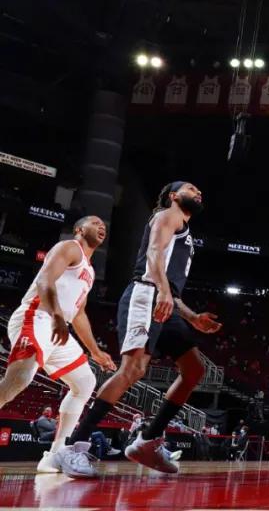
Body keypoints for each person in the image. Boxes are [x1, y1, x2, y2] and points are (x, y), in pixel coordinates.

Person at [62, 182, 222, 476]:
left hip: (163, 299)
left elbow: (171, 287)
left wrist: (192, 317)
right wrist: (163, 291)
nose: (198, 192)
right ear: (174, 196)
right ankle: (75, 446)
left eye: (200, 190)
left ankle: (147, 441)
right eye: (191, 188)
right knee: (132, 370)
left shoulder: (185, 231)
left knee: (194, 370)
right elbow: (153, 253)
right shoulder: (168, 215)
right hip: (146, 293)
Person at [0, 216, 115, 477]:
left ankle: (56, 454)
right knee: (19, 379)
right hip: (37, 316)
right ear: (79, 229)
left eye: (104, 225)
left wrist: (96, 352)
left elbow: (80, 314)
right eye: (95, 222)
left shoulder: (90, 271)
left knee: (85, 382)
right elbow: (45, 281)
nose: (102, 226)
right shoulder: (69, 247)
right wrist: (57, 316)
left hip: (57, 326)